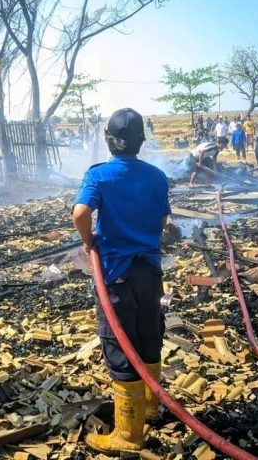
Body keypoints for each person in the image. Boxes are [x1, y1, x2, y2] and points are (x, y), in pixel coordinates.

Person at [72, 108, 171, 454]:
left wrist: (88, 242)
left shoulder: (99, 175)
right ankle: (151, 407)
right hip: (149, 271)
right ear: (142, 142)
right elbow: (163, 220)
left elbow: (81, 213)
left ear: (108, 141)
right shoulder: (158, 177)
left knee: (119, 344)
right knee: (149, 335)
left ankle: (128, 436)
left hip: (115, 275)